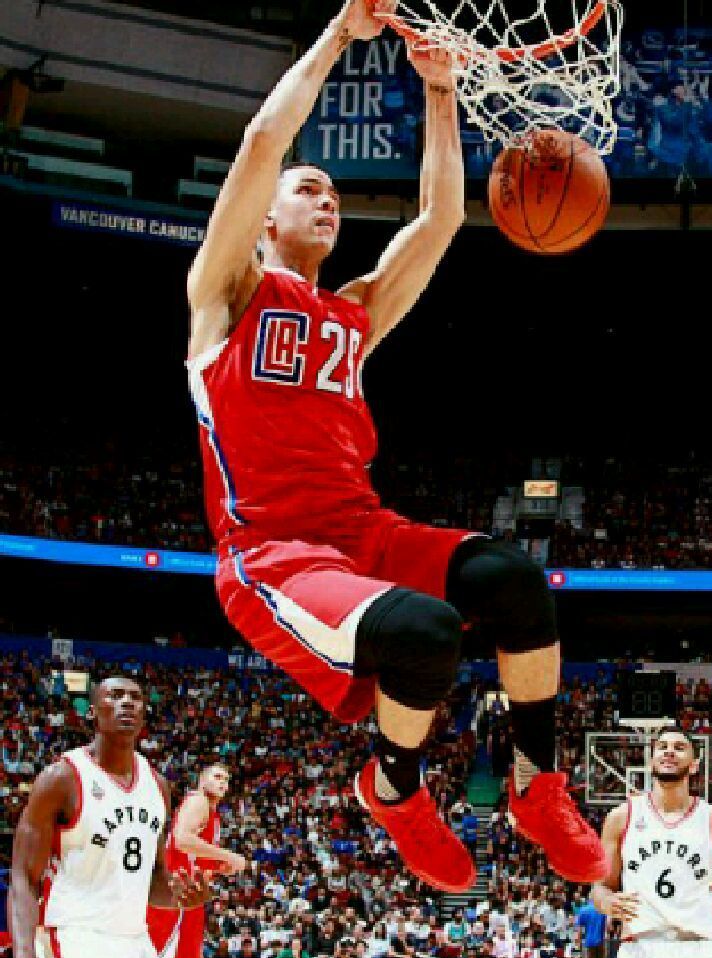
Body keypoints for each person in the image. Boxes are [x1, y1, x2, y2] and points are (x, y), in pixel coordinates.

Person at [184, 0, 605, 894]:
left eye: (334, 196)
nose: (326, 200)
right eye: (308, 190)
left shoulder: (355, 314)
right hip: (274, 553)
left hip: (363, 530)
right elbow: (262, 141)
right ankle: (394, 789)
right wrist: (340, 35)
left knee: (517, 583)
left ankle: (537, 784)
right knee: (426, 632)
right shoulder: (226, 292)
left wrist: (441, 92)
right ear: (264, 221)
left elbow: (441, 217)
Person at [7, 677, 209, 958]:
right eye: (115, 695)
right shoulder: (62, 779)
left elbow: (151, 877)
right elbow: (24, 877)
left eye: (135, 697)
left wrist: (182, 897)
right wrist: (24, 952)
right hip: (74, 935)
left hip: (135, 941)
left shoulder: (157, 786)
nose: (127, 702)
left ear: (143, 714)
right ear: (92, 712)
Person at [590, 726, 712, 958]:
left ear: (694, 765)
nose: (669, 751)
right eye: (662, 747)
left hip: (698, 947)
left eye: (679, 748)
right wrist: (606, 901)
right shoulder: (621, 817)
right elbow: (600, 887)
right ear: (651, 761)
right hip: (639, 946)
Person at [147, 764, 246, 958]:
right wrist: (228, 855)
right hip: (175, 891)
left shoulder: (212, 813)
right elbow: (182, 839)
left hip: (190, 895)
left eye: (226, 780)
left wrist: (217, 865)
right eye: (217, 777)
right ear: (202, 780)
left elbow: (191, 854)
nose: (223, 783)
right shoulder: (198, 801)